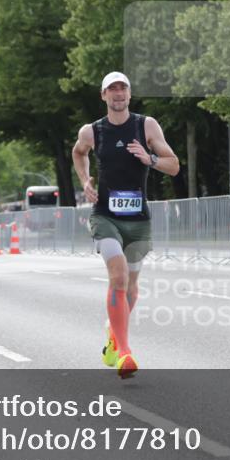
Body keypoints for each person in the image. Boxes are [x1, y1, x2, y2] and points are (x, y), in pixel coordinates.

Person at [71, 71, 180, 379]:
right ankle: (124, 352)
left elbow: (174, 165)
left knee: (131, 285)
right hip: (105, 216)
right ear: (103, 95)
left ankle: (113, 336)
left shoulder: (146, 126)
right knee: (118, 276)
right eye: (112, 89)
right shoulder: (92, 131)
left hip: (138, 220)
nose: (118, 94)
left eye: (123, 88)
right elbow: (78, 153)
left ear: (129, 94)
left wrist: (149, 159)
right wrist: (85, 180)